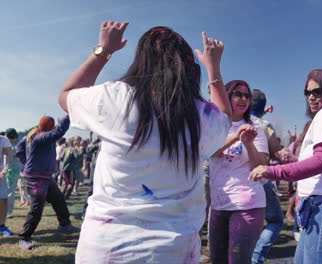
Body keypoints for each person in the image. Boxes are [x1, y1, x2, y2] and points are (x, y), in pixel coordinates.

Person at [58, 21, 231, 263]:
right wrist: (214, 69)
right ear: (187, 66)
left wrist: (103, 50)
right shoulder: (201, 116)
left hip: (106, 247)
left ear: (142, 60)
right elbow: (225, 118)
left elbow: (66, 96)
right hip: (173, 251)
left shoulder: (115, 98)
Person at [249, 68, 322, 264]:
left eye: (317, 91)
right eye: (307, 92)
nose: (311, 97)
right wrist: (293, 161)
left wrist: (271, 171)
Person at [208, 80, 269, 264]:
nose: (243, 99)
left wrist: (248, 144)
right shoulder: (215, 125)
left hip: (247, 205)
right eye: (237, 94)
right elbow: (208, 151)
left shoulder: (255, 128)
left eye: (247, 95)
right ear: (227, 96)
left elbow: (262, 166)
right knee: (217, 260)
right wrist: (235, 137)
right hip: (218, 206)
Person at [15, 115, 79, 250]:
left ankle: (64, 225)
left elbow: (20, 148)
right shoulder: (40, 137)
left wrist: (25, 162)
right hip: (35, 178)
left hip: (45, 177)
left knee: (58, 199)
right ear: (49, 126)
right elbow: (59, 132)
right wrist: (67, 116)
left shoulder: (35, 134)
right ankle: (24, 237)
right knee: (37, 208)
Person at [249, 89, 284, 264]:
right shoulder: (264, 126)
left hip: (234, 184)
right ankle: (257, 257)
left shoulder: (232, 122)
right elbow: (279, 153)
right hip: (260, 180)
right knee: (276, 220)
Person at [5, 128, 22, 217]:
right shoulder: (7, 143)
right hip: (7, 170)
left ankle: (8, 211)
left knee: (10, 191)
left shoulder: (17, 145)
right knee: (6, 190)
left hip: (13, 170)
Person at [0, 134, 14, 236]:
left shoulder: (3, 139)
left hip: (0, 176)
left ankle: (1, 226)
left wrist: (5, 170)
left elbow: (10, 156)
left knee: (3, 200)